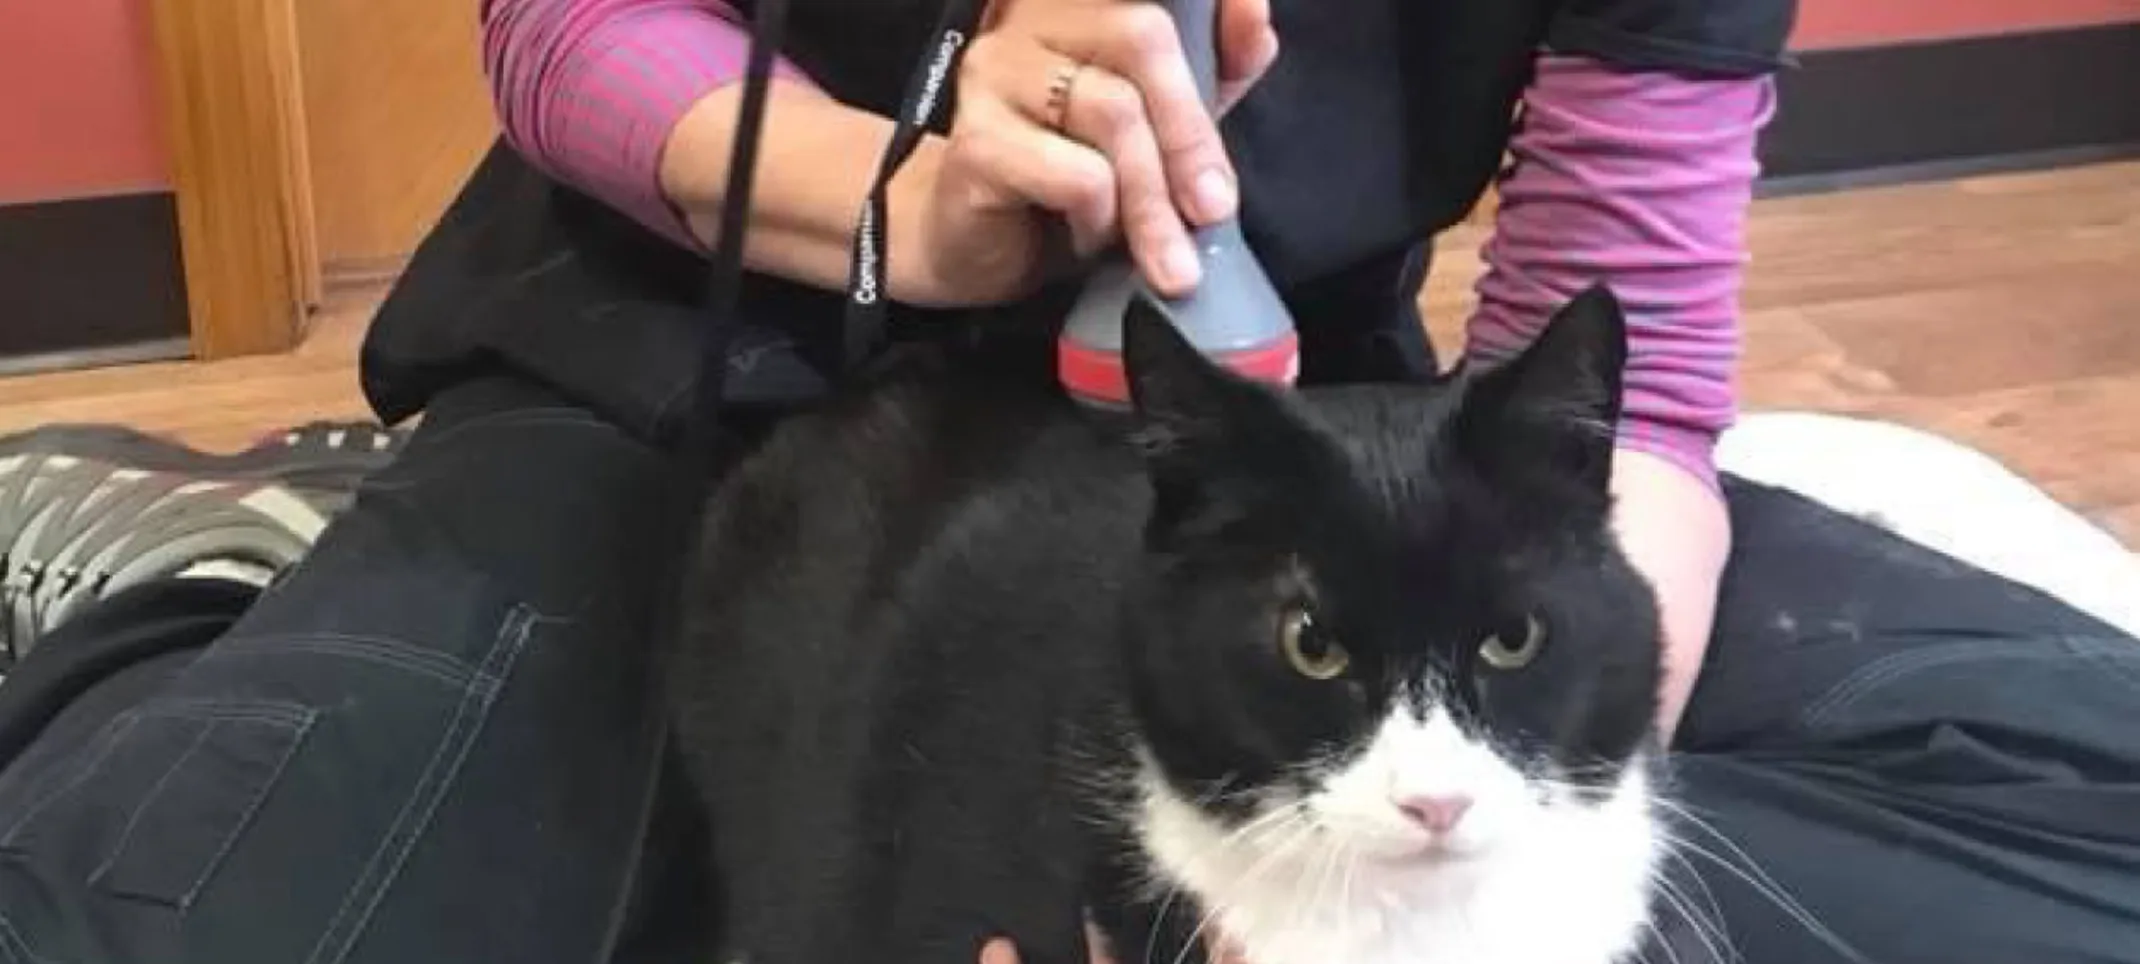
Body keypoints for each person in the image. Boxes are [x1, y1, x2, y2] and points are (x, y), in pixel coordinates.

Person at [0, 0, 2132, 962]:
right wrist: (904, 201)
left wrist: (1487, 890)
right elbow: (559, 23)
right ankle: (202, 572)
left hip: (1271, 460)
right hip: (696, 380)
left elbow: (1627, 357)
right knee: (205, 892)